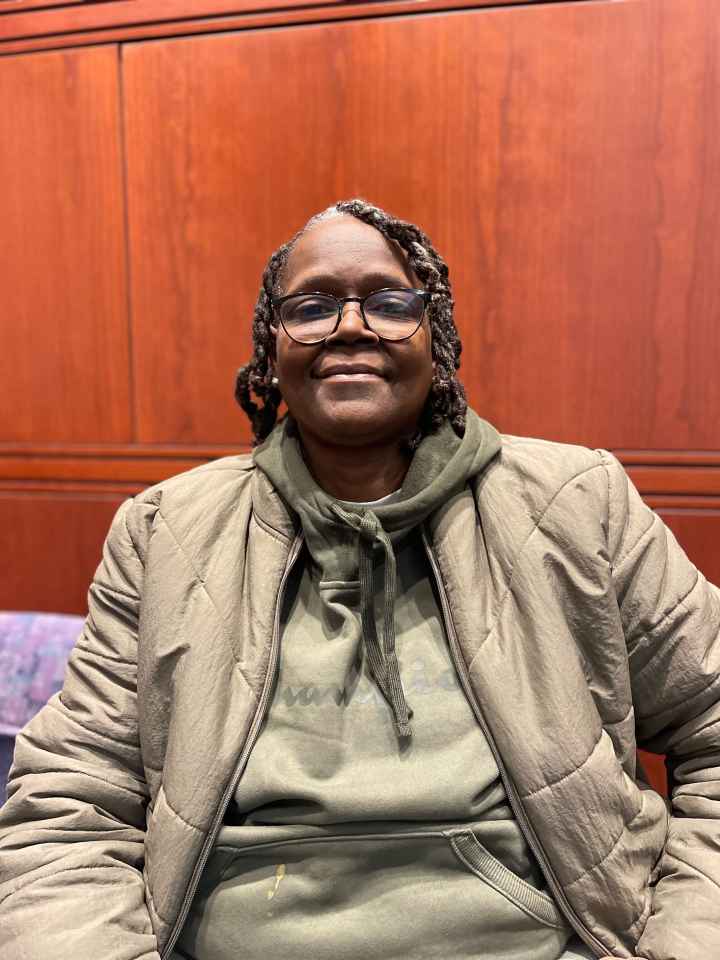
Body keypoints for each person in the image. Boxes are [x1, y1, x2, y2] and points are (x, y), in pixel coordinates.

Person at [0, 198, 718, 960]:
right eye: (311, 307)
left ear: (434, 339)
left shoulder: (576, 504)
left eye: (386, 302)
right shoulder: (164, 531)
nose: (349, 325)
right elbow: (70, 799)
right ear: (271, 349)